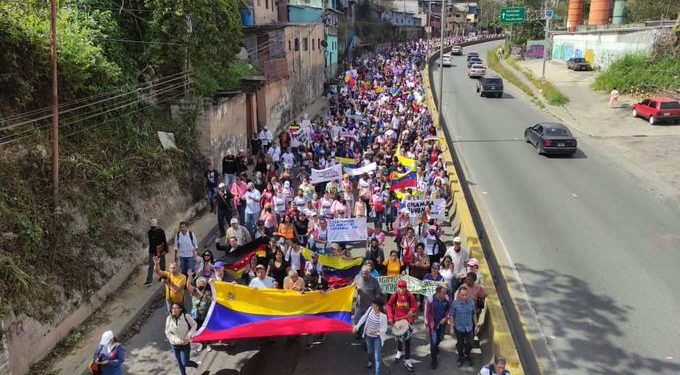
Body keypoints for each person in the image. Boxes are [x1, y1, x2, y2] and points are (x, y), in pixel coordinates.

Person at [387, 280, 417, 372]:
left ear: (406, 287)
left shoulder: (410, 296)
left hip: (407, 322)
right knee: (399, 338)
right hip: (398, 321)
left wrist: (411, 311)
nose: (401, 289)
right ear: (397, 287)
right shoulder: (394, 295)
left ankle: (407, 360)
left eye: (403, 287)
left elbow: (414, 306)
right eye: (400, 287)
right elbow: (388, 305)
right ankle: (399, 351)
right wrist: (390, 317)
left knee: (407, 341)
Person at [353, 296, 389, 375]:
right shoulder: (370, 309)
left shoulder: (383, 316)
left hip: (377, 338)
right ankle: (370, 362)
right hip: (368, 336)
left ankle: (377, 372)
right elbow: (363, 318)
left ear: (378, 306)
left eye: (374, 305)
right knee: (369, 352)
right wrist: (357, 326)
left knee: (377, 356)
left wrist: (377, 332)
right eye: (372, 304)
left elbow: (385, 328)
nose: (372, 306)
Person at [165, 303, 199, 375]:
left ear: (180, 309)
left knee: (185, 362)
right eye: (173, 308)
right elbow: (168, 332)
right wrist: (176, 340)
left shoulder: (186, 316)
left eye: (176, 308)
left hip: (185, 344)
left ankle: (197, 365)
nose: (174, 310)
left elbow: (194, 325)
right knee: (180, 362)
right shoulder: (169, 318)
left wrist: (190, 333)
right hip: (174, 345)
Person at [451, 286, 479, 367]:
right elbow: (452, 316)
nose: (464, 297)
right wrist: (452, 327)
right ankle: (460, 357)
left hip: (469, 327)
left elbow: (474, 314)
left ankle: (466, 354)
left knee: (470, 344)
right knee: (460, 344)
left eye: (466, 295)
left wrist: (476, 325)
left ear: (468, 294)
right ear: (459, 295)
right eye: (462, 295)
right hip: (459, 328)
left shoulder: (471, 302)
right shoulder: (455, 304)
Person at [352, 265, 383, 339]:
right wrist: (355, 287)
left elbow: (378, 293)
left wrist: (377, 304)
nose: (363, 275)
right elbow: (351, 286)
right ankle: (358, 332)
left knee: (367, 323)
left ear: (369, 273)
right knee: (357, 320)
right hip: (359, 305)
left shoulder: (374, 281)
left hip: (369, 306)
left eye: (365, 273)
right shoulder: (357, 277)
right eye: (362, 273)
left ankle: (365, 341)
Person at [424, 285, 450, 369]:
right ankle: (434, 360)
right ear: (438, 293)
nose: (445, 294)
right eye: (444, 293)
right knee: (433, 342)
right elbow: (426, 313)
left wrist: (446, 317)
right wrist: (427, 325)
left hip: (442, 324)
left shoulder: (446, 298)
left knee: (441, 338)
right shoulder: (430, 299)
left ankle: (435, 347)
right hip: (433, 324)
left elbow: (449, 309)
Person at [186, 271, 213, 352]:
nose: (200, 285)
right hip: (196, 316)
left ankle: (208, 344)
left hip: (206, 316)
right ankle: (201, 343)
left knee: (206, 330)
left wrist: (212, 283)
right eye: (198, 283)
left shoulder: (208, 293)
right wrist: (190, 277)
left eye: (202, 284)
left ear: (205, 285)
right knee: (198, 329)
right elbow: (188, 285)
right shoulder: (194, 291)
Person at [146, 218, 168, 286]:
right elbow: (151, 242)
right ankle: (149, 280)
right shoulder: (149, 232)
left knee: (162, 265)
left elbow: (164, 241)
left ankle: (162, 276)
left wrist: (165, 250)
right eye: (151, 223)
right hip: (152, 252)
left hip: (160, 251)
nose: (152, 224)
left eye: (153, 223)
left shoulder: (161, 231)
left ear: (156, 224)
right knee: (151, 266)